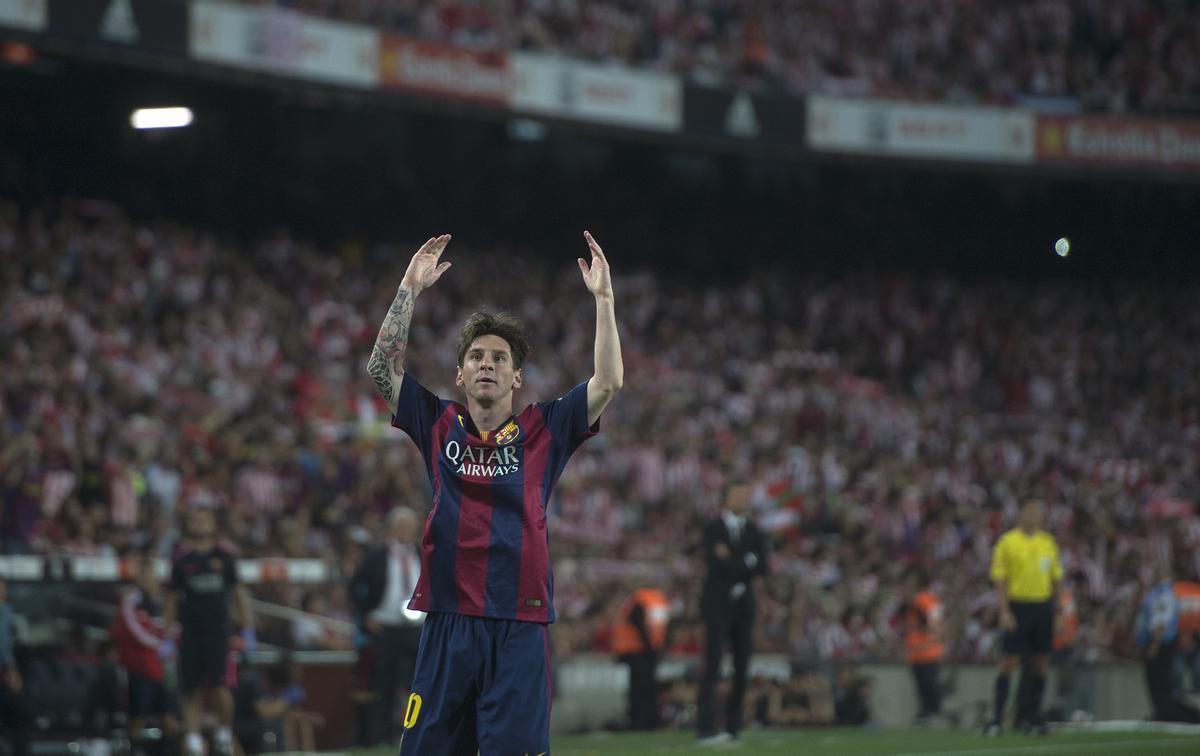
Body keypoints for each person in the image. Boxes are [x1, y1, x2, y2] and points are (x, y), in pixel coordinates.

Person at [365, 231, 623, 754]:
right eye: (477, 356)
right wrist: (409, 290)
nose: (488, 363)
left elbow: (609, 382)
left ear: (516, 377)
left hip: (519, 624)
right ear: (460, 375)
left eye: (499, 358)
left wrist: (604, 299)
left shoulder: (545, 429)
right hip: (448, 620)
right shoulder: (437, 422)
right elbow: (380, 369)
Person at [165, 507, 256, 756]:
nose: (199, 522)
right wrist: (166, 636)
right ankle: (194, 743)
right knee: (190, 689)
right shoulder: (181, 561)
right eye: (194, 518)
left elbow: (239, 594)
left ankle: (224, 733)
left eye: (204, 518)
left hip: (218, 633)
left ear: (214, 524)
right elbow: (172, 600)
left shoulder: (225, 558)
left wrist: (248, 629)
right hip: (190, 633)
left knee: (221, 688)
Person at [696, 481, 768, 745]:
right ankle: (704, 727)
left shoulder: (755, 531)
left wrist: (733, 560)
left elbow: (762, 567)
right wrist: (745, 562)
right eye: (738, 493)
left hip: (744, 606)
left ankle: (733, 727)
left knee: (742, 665)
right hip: (717, 604)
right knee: (712, 663)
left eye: (746, 493)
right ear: (725, 498)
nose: (744, 498)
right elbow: (718, 562)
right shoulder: (713, 528)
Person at [985, 499, 1062, 736]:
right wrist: (1004, 611)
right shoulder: (1007, 542)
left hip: (1042, 607)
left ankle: (1032, 718)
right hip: (1018, 606)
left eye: (1039, 511)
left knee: (1040, 664)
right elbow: (1000, 579)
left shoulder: (1048, 543)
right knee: (1008, 662)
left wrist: (1057, 611)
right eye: (1030, 510)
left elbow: (1056, 579)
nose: (1035, 515)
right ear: (1020, 514)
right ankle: (997, 719)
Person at [348, 506, 424, 744]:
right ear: (392, 528)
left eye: (410, 526)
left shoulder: (424, 554)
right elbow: (354, 587)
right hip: (385, 629)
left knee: (419, 684)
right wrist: (366, 615)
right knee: (384, 685)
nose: (406, 531)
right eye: (401, 526)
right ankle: (382, 738)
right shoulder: (376, 556)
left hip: (417, 629)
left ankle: (418, 735)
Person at [111, 555, 178, 736]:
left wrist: (168, 642)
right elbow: (134, 630)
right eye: (143, 573)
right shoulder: (132, 598)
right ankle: (129, 749)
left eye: (150, 573)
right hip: (139, 667)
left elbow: (173, 625)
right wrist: (160, 644)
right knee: (137, 718)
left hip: (162, 667)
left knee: (169, 717)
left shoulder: (163, 598)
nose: (147, 577)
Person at [1136, 569, 1200, 722]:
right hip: (1163, 645)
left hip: (1161, 646)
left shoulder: (1163, 594)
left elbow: (1161, 622)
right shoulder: (1166, 593)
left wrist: (1154, 646)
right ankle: (1165, 713)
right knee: (1162, 687)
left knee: (1159, 686)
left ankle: (1180, 716)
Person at [611, 587, 670, 731]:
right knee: (645, 689)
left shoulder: (639, 598)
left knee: (640, 689)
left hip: (639, 651)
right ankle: (644, 722)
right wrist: (653, 646)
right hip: (642, 651)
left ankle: (640, 722)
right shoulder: (656, 600)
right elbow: (642, 624)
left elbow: (636, 621)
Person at [903, 569, 945, 724]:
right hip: (918, 651)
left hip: (927, 651)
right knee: (923, 685)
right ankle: (928, 713)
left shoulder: (923, 600)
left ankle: (931, 712)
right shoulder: (928, 600)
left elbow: (933, 623)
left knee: (927, 684)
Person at [0, 577, 30, 756]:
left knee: (20, 716)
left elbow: (6, 645)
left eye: (3, 589)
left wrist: (12, 669)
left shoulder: (7, 611)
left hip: (5, 674)